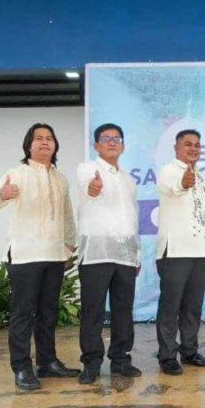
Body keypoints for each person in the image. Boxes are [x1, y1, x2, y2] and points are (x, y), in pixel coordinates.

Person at [0, 123, 79, 390]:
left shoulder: (61, 179)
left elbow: (66, 214)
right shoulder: (17, 173)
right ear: (29, 145)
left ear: (55, 145)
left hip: (54, 254)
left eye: (49, 138)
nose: (45, 142)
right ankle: (22, 367)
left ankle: (47, 362)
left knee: (48, 312)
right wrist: (2, 194)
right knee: (23, 314)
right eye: (39, 138)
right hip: (25, 255)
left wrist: (70, 243)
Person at [75, 123, 142, 384]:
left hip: (125, 252)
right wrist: (93, 187)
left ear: (123, 146)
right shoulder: (87, 169)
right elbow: (87, 186)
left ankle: (121, 360)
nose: (112, 142)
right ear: (96, 145)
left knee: (123, 310)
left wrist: (135, 252)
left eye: (117, 139)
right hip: (96, 252)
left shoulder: (128, 179)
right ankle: (91, 362)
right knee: (93, 311)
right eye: (106, 138)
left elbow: (133, 217)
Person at [155, 129, 205, 375]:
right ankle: (167, 355)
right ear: (176, 147)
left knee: (193, 306)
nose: (193, 148)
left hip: (200, 250)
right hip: (176, 251)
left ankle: (189, 351)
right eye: (188, 144)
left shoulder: (200, 176)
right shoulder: (168, 171)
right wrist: (183, 181)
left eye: (197, 145)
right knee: (170, 306)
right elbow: (177, 186)